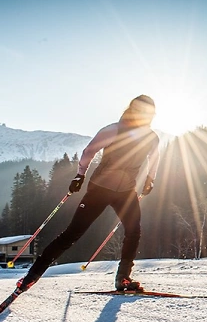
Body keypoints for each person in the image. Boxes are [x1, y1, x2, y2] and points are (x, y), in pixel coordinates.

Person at [16, 95, 160, 293]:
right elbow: (89, 151)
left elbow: (155, 158)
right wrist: (80, 176)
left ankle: (123, 278)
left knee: (133, 231)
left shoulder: (151, 137)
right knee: (72, 234)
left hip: (126, 191)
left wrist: (150, 178)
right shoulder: (113, 130)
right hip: (99, 189)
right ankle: (32, 276)